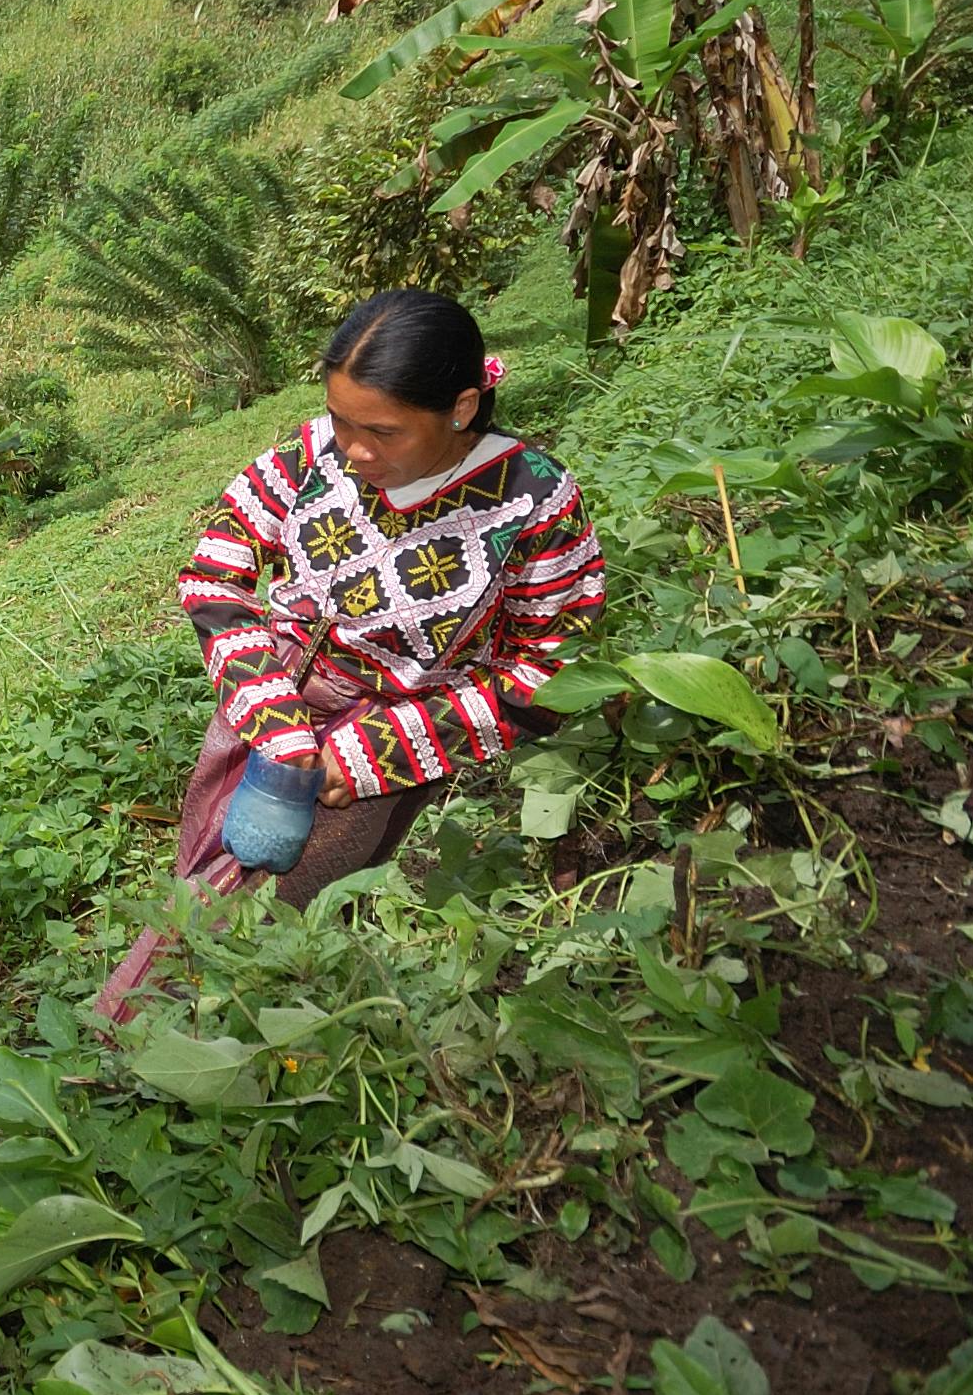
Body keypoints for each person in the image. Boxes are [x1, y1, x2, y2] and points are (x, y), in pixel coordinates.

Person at [96, 290, 605, 1020]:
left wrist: (376, 753)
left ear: (461, 408)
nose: (354, 450)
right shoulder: (310, 457)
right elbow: (217, 567)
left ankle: (125, 1046)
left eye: (384, 431)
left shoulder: (532, 501)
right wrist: (271, 713)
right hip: (266, 702)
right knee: (207, 861)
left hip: (375, 747)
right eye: (340, 420)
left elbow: (555, 670)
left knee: (247, 913)